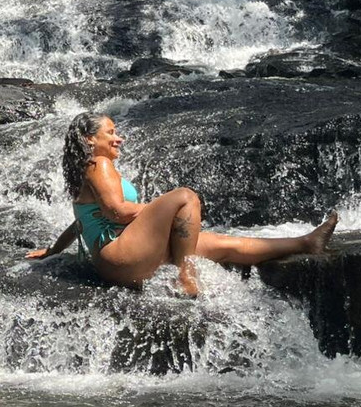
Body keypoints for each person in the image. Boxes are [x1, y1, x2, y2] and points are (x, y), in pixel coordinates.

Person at [26, 112, 339, 296]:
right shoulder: (99, 166)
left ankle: (306, 243)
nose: (118, 137)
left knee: (223, 244)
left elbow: (82, 220)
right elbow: (116, 213)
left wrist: (53, 251)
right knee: (185, 197)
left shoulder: (92, 171)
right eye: (111, 132)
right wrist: (167, 214)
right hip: (121, 256)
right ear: (90, 140)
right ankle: (185, 273)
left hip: (124, 258)